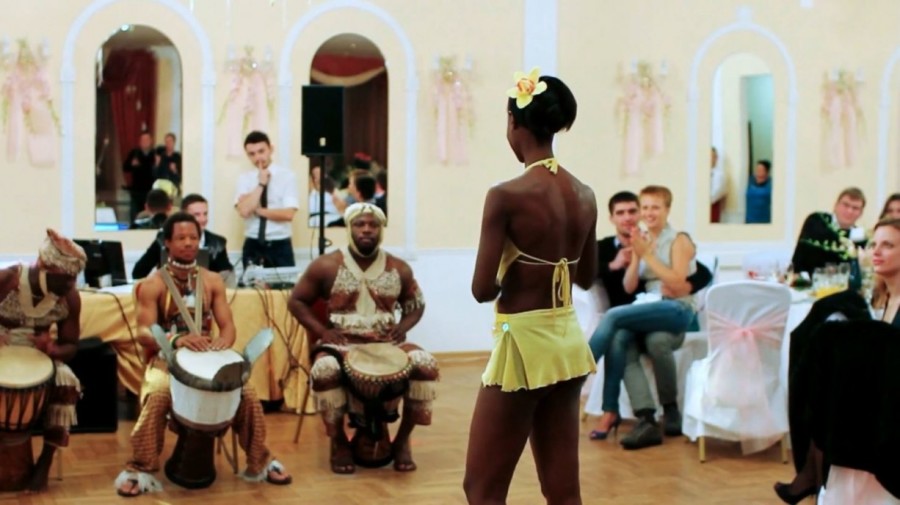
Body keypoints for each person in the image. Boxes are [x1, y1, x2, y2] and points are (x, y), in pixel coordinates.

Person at [463, 69, 597, 505]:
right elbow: (587, 277)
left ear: (513, 122)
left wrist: (508, 273)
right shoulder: (585, 194)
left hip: (521, 344)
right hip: (568, 342)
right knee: (563, 491)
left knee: (482, 488)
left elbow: (482, 289)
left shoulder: (506, 195)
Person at [114, 213, 291, 497]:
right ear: (167, 242)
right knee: (158, 394)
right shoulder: (154, 283)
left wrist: (222, 344)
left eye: (193, 237)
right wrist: (177, 340)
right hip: (167, 360)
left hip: (208, 357)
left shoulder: (212, 280)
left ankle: (261, 460)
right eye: (181, 238)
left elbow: (228, 326)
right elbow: (144, 332)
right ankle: (139, 467)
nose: (188, 243)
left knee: (247, 393)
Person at [288, 203, 436, 474]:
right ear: (349, 228)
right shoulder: (326, 265)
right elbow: (296, 301)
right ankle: (339, 443)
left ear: (381, 230)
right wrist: (322, 332)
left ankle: (402, 442)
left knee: (425, 365)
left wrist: (402, 327)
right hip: (341, 343)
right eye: (360, 224)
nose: (366, 229)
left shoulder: (399, 268)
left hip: (386, 342)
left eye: (373, 225)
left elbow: (416, 305)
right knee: (325, 370)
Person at [592, 191, 712, 449]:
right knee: (626, 339)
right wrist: (637, 255)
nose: (648, 213)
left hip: (676, 308)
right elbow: (629, 285)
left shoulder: (679, 239)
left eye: (654, 207)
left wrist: (646, 255)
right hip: (649, 309)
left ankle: (579, 368)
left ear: (667, 209)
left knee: (613, 316)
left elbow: (681, 280)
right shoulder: (641, 240)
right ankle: (646, 417)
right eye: (645, 207)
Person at [0, 229, 86, 492]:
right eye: (65, 277)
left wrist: (52, 349)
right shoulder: (7, 279)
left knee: (67, 382)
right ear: (43, 266)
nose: (70, 284)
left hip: (39, 359)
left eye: (74, 277)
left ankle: (45, 462)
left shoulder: (69, 297)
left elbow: (71, 345)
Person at [234, 131, 299, 268]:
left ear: (271, 149)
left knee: (286, 282)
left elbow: (288, 214)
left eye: (261, 151)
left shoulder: (287, 176)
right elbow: (244, 212)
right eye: (252, 154)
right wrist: (261, 184)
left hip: (280, 244)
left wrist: (256, 209)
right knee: (251, 282)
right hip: (253, 243)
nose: (257, 157)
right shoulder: (244, 179)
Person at [132, 193, 232, 279]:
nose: (203, 219)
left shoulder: (217, 243)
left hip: (206, 294)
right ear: (184, 215)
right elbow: (138, 272)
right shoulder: (164, 239)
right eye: (197, 215)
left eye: (205, 214)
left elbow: (227, 276)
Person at [791, 187, 867, 276]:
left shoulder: (861, 239)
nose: (849, 211)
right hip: (802, 280)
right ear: (835, 206)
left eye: (855, 208)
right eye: (845, 205)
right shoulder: (817, 220)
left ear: (861, 213)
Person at [123, 131, 157, 223]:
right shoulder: (135, 153)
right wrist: (132, 164)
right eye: (142, 140)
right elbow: (125, 168)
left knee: (149, 216)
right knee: (134, 215)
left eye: (147, 139)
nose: (144, 142)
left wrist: (157, 165)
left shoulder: (155, 154)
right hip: (136, 191)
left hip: (150, 191)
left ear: (151, 141)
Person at [745, 159, 772, 224]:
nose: (757, 172)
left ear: (767, 172)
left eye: (760, 170)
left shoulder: (771, 184)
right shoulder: (750, 181)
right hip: (749, 220)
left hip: (764, 221)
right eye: (757, 169)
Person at [710, 147, 727, 223]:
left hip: (712, 209)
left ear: (716, 158)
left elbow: (715, 195)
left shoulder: (720, 175)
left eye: (712, 156)